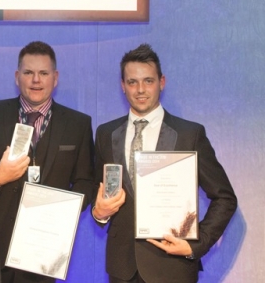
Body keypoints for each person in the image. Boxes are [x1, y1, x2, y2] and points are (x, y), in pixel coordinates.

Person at [0, 41, 95, 283]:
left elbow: (86, 181)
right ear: (17, 77)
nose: (36, 80)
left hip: (43, 251)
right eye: (28, 72)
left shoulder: (78, 124)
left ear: (55, 78)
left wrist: (62, 211)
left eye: (43, 73)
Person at [92, 44, 237, 283]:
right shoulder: (106, 133)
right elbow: (98, 194)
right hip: (121, 268)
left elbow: (225, 197)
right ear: (122, 85)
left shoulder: (190, 134)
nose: (140, 90)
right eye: (132, 82)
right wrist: (99, 214)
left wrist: (195, 245)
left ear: (162, 82)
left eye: (148, 81)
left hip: (173, 267)